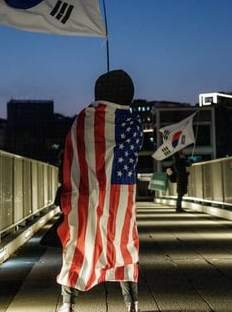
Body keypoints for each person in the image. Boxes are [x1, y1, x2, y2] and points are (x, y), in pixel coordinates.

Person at [56, 69, 143, 312]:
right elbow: (133, 148)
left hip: (83, 194)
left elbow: (71, 153)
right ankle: (131, 303)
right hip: (119, 196)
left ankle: (68, 304)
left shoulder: (82, 120)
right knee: (123, 242)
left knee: (77, 244)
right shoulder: (131, 123)